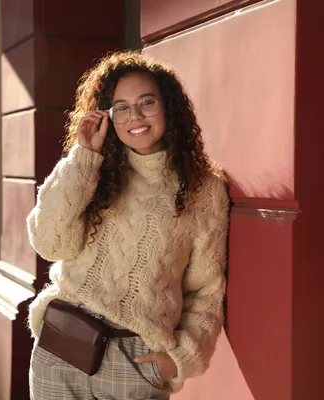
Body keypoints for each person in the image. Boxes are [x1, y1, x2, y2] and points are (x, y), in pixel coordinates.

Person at [26, 51, 230, 400]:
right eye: (121, 106)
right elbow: (49, 242)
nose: (134, 116)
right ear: (107, 115)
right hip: (62, 348)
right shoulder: (93, 169)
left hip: (136, 362)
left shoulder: (203, 190)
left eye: (147, 102)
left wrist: (177, 360)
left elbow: (207, 293)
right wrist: (84, 158)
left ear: (169, 107)